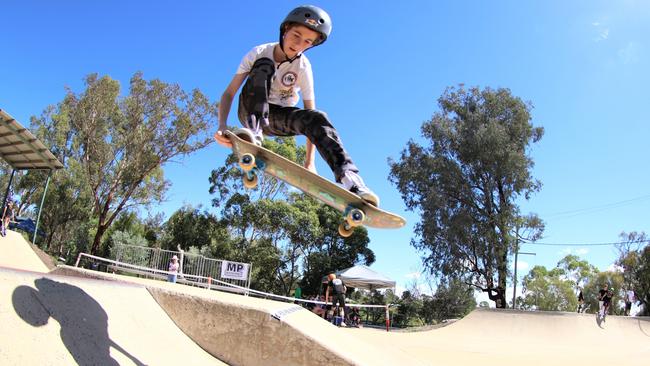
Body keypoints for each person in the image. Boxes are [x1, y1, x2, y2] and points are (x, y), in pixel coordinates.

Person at [214, 5, 379, 206]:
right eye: (296, 35)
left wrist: (310, 162)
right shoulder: (258, 52)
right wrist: (222, 125)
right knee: (264, 66)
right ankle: (254, 136)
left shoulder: (303, 67)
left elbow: (312, 118)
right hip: (249, 109)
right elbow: (229, 93)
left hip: (277, 119)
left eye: (307, 41)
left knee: (318, 116)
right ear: (285, 30)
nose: (299, 44)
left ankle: (352, 181)